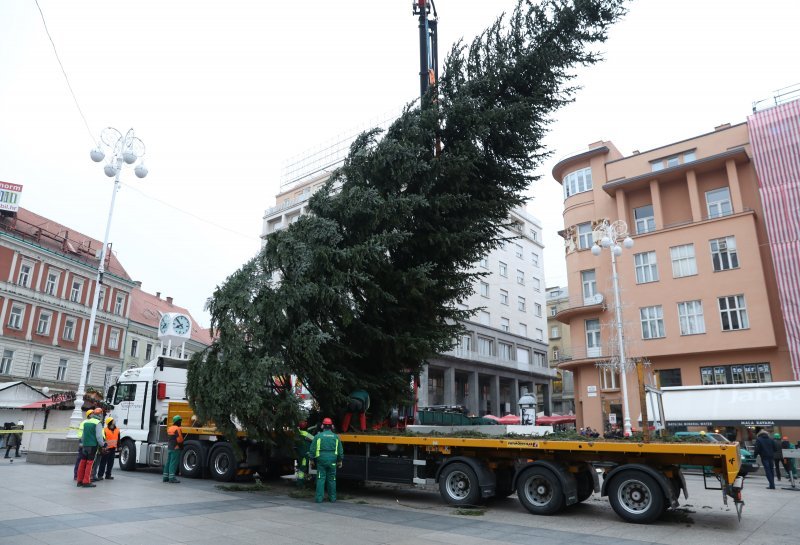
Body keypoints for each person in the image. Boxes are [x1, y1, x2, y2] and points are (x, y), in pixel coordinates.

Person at [309, 417, 343, 503]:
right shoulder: (336, 437)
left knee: (320, 479)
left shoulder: (318, 436)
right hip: (332, 461)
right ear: (332, 426)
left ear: (322, 426)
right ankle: (332, 498)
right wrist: (340, 460)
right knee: (332, 479)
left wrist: (311, 459)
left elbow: (312, 449)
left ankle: (319, 499)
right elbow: (340, 450)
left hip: (321, 461)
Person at [76, 410, 104, 488]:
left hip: (84, 445)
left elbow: (83, 436)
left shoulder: (86, 422)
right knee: (90, 464)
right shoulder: (97, 423)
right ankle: (86, 481)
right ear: (100, 415)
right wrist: (103, 445)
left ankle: (79, 481)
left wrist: (82, 444)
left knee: (82, 462)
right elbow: (99, 437)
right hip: (92, 446)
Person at [74, 410, 94, 480]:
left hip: (87, 442)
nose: (94, 415)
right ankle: (76, 475)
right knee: (80, 459)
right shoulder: (85, 422)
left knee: (84, 460)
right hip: (83, 442)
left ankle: (81, 476)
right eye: (92, 414)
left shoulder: (90, 422)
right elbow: (82, 434)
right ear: (89, 415)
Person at [163, 415, 183, 483]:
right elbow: (179, 440)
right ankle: (172, 478)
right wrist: (181, 446)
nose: (181, 423)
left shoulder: (170, 428)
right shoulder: (177, 429)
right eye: (180, 421)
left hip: (170, 448)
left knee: (168, 463)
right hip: (175, 448)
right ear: (177, 422)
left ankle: (165, 477)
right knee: (173, 463)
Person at [294, 421, 314, 488]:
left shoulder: (297, 433)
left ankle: (301, 482)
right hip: (305, 455)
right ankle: (300, 484)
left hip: (300, 454)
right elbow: (314, 439)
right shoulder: (305, 433)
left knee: (301, 468)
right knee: (302, 469)